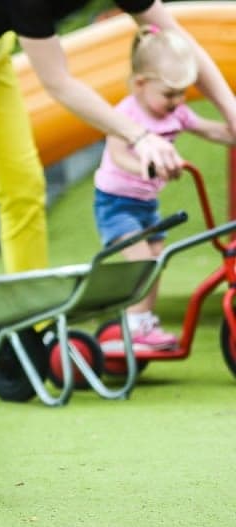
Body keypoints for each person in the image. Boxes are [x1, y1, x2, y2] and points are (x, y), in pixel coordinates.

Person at [0, 0, 236, 390]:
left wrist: (231, 110)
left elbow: (179, 39)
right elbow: (58, 82)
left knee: (25, 186)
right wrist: (138, 135)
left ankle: (34, 325)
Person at [94, 25, 236, 349]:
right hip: (116, 203)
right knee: (142, 260)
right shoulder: (125, 115)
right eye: (170, 94)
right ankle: (135, 323)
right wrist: (148, 167)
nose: (178, 102)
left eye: (182, 93)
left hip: (147, 205)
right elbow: (117, 157)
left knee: (157, 259)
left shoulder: (178, 114)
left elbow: (213, 131)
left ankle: (143, 321)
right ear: (141, 85)